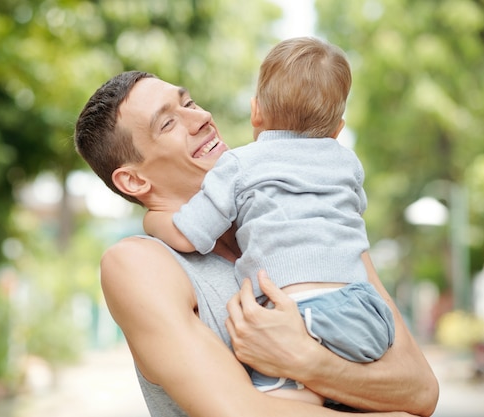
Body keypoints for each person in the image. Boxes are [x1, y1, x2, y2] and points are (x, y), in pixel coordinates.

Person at [74, 69, 439, 416]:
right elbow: (247, 414)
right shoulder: (139, 264)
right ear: (134, 182)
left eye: (188, 103)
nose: (200, 117)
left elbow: (421, 389)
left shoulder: (308, 220)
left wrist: (309, 362)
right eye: (168, 122)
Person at [142, 37, 394, 405]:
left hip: (298, 313)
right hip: (366, 312)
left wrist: (154, 221)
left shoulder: (241, 163)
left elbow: (188, 234)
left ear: (255, 112)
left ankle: (305, 393)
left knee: (289, 401)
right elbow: (354, 209)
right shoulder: (348, 162)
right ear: (338, 128)